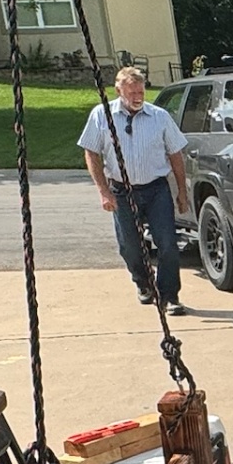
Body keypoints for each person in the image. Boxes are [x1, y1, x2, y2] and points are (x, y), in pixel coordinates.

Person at [78, 67, 190, 315]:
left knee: (168, 244)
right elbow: (91, 153)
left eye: (140, 91)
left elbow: (175, 154)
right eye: (131, 93)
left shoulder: (159, 117)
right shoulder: (101, 115)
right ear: (119, 91)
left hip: (156, 189)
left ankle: (170, 295)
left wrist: (182, 191)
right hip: (121, 191)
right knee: (129, 246)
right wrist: (103, 191)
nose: (137, 97)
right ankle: (143, 284)